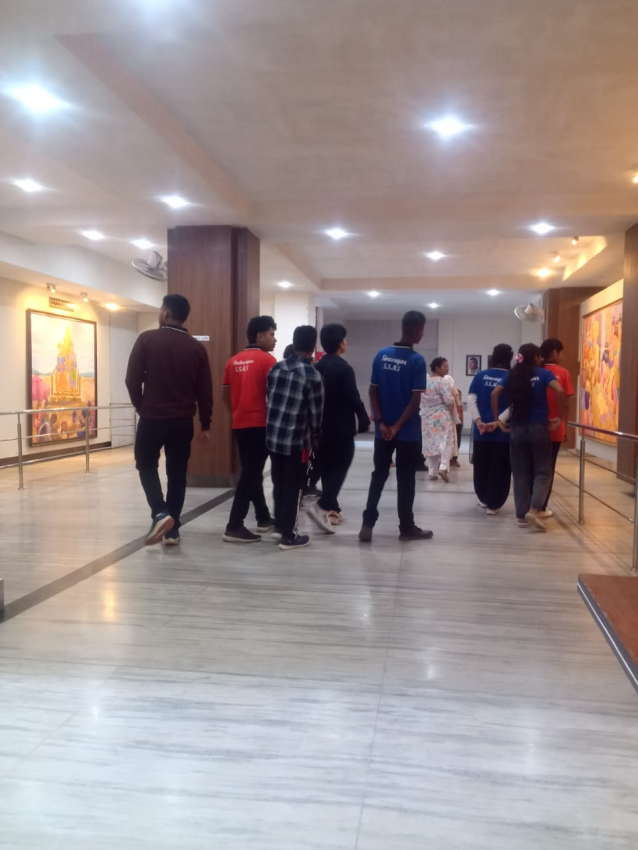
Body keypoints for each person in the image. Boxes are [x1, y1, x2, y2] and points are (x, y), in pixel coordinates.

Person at [126, 294, 213, 546]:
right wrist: (205, 424)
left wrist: (141, 406)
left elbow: (132, 379)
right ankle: (172, 531)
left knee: (146, 465)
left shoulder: (146, 339)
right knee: (177, 473)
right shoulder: (197, 348)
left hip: (152, 418)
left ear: (164, 313)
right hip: (182, 421)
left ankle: (160, 513)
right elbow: (204, 391)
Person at [359, 311, 433, 542]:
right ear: (419, 330)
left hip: (383, 432)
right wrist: (398, 426)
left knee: (379, 475)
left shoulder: (381, 355)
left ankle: (367, 524)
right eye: (422, 330)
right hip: (407, 432)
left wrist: (382, 423)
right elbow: (415, 400)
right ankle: (406, 528)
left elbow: (372, 391)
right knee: (406, 479)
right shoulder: (416, 360)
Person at [491, 343, 564, 531]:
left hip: (517, 429)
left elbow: (495, 393)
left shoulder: (512, 375)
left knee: (520, 473)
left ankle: (521, 516)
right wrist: (560, 417)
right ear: (537, 358)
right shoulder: (544, 374)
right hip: (539, 427)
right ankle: (535, 509)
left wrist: (497, 420)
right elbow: (560, 390)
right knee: (543, 471)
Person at [266, 325, 324, 551]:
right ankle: (289, 536)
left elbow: (269, 399)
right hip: (297, 442)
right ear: (312, 346)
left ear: (294, 341)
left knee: (278, 482)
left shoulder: (276, 368)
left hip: (273, 438)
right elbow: (316, 414)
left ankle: (280, 526)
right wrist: (316, 436)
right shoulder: (313, 376)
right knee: (295, 486)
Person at [307, 323, 370, 529]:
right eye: (344, 339)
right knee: (341, 465)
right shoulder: (344, 368)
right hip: (341, 427)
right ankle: (322, 505)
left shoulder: (317, 367)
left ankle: (332, 508)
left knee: (327, 467)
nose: (346, 342)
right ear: (340, 343)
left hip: (320, 427)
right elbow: (353, 397)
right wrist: (363, 419)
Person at [222, 315, 277, 543]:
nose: (274, 339)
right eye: (272, 334)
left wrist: (238, 412)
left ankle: (263, 517)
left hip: (240, 425)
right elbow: (274, 396)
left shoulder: (232, 361)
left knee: (251, 472)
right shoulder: (268, 361)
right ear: (260, 336)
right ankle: (234, 525)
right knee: (249, 476)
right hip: (260, 425)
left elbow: (226, 396)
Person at [468, 343, 513, 515]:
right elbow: (513, 405)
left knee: (481, 466)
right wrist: (498, 422)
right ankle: (494, 504)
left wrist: (479, 422)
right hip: (503, 433)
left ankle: (484, 498)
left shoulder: (480, 376)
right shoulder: (512, 377)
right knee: (500, 467)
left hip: (481, 433)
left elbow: (471, 401)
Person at [540, 338, 575, 515]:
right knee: (549, 467)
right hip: (555, 428)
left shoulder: (535, 371)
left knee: (532, 465)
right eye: (561, 352)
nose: (562, 356)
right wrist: (565, 427)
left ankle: (529, 503)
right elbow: (566, 404)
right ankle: (541, 505)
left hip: (534, 426)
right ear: (555, 352)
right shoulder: (563, 373)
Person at [421, 357, 456, 482]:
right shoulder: (443, 382)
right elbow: (448, 400)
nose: (448, 368)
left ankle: (432, 472)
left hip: (426, 417)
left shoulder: (424, 381)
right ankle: (443, 467)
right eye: (445, 366)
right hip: (441, 417)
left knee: (431, 443)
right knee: (448, 441)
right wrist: (453, 400)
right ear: (437, 368)